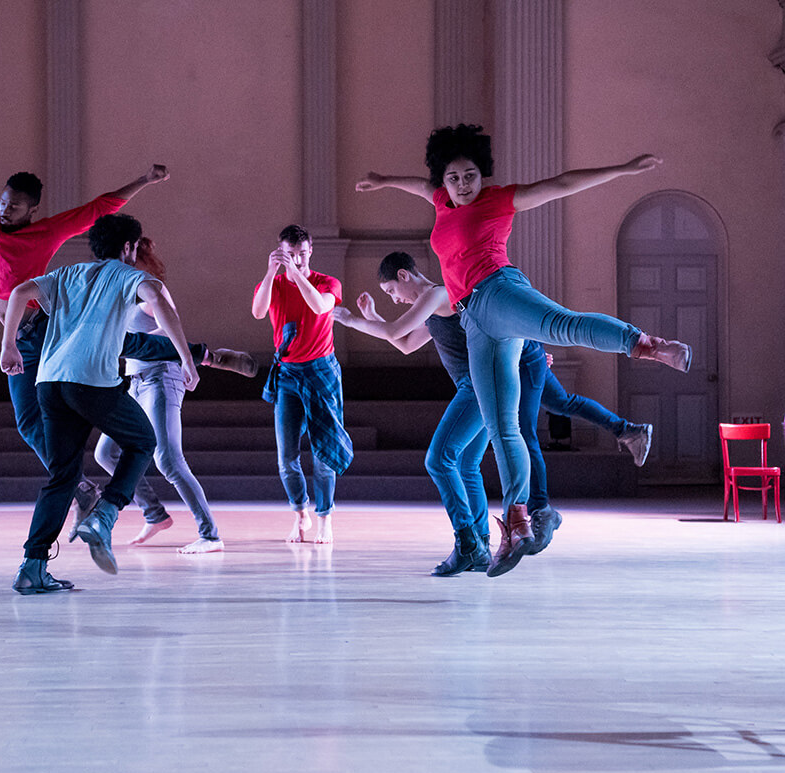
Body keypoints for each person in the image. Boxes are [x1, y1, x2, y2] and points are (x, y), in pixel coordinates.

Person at [356, 124, 689, 576]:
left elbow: (560, 185)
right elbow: (423, 185)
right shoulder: (441, 200)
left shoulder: (495, 201)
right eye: (454, 178)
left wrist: (622, 170)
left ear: (482, 174)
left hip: (498, 290)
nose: (463, 185)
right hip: (475, 320)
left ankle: (647, 344)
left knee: (562, 325)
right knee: (501, 429)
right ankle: (517, 523)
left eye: (470, 175)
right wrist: (384, 181)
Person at [0, 110, 254, 529]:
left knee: (113, 347)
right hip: (19, 338)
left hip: (41, 329)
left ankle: (203, 356)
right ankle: (86, 483)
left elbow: (99, 209)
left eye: (16, 208)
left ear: (32, 212)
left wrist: (144, 180)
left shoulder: (48, 232)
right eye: (4, 203)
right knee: (38, 413)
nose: (5, 211)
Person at [334, 252, 651, 576]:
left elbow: (394, 331)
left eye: (391, 292)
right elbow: (403, 344)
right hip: (480, 387)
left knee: (439, 460)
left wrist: (349, 319)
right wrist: (372, 317)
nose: (395, 299)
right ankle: (480, 546)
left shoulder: (438, 294)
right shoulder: (432, 308)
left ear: (404, 275)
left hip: (477, 387)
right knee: (468, 464)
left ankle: (468, 542)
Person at [0, 213, 198, 594]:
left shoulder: (68, 274)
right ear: (128, 247)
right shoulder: (127, 276)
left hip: (49, 381)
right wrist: (186, 360)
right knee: (142, 441)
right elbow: (158, 299)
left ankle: (32, 567)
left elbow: (19, 291)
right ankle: (105, 514)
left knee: (62, 477)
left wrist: (8, 344)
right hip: (91, 380)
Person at [94, 238, 223, 554]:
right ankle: (154, 513)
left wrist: (185, 359)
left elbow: (171, 327)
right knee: (105, 453)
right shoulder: (120, 292)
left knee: (168, 459)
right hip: (133, 382)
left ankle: (210, 535)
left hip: (161, 378)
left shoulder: (150, 287)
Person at [252, 225, 353, 544]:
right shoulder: (277, 284)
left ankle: (325, 517)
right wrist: (271, 273)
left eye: (302, 254)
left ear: (310, 251)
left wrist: (297, 274)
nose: (297, 259)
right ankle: (300, 513)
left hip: (321, 370)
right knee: (286, 455)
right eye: (290, 255)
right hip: (288, 375)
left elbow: (321, 307)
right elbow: (257, 312)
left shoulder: (327, 282)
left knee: (323, 453)